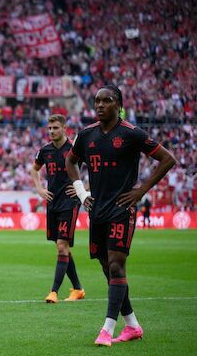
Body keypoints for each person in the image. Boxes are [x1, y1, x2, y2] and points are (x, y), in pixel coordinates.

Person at [66, 85, 176, 347]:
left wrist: (141, 191)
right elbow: (71, 161)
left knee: (116, 265)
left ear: (119, 105)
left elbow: (167, 158)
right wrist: (82, 194)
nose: (100, 105)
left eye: (107, 100)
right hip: (97, 209)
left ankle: (107, 329)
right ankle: (133, 326)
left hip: (122, 208)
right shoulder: (86, 135)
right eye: (97, 101)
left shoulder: (132, 133)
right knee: (108, 268)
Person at [30, 114, 85, 303]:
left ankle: (54, 291)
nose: (52, 131)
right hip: (53, 202)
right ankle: (78, 289)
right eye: (50, 128)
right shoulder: (45, 151)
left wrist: (84, 188)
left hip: (70, 202)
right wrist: (39, 189)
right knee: (63, 248)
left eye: (55, 128)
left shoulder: (74, 150)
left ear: (64, 129)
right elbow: (34, 169)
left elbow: (96, 169)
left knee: (62, 247)